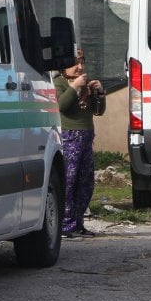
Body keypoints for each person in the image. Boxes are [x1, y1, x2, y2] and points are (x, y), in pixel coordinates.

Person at [55, 49, 105, 239]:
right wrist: (74, 87)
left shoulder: (85, 84)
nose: (80, 67)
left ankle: (78, 222)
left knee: (85, 182)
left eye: (82, 62)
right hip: (69, 137)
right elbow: (61, 105)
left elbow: (98, 111)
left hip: (86, 136)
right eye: (75, 63)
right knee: (69, 181)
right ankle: (66, 225)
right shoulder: (59, 83)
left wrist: (100, 93)